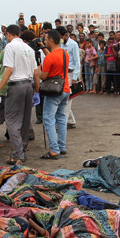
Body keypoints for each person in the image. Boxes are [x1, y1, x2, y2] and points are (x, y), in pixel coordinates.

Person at [0, 24, 40, 166]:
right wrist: (37, 92)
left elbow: (9, 70)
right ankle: (22, 151)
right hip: (28, 85)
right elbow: (36, 73)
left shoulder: (10, 47)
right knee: (24, 120)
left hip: (16, 85)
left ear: (9, 34)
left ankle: (18, 154)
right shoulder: (28, 49)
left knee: (11, 120)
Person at [38, 29, 70, 160]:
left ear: (51, 40)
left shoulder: (49, 57)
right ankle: (62, 146)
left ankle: (54, 149)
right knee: (61, 118)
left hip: (53, 92)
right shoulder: (64, 53)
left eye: (46, 39)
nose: (44, 42)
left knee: (48, 119)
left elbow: (44, 76)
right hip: (65, 88)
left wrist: (39, 71)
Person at [59, 26, 80, 128]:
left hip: (71, 74)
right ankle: (71, 121)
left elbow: (77, 62)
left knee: (67, 99)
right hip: (62, 73)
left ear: (66, 35)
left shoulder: (73, 44)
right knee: (64, 98)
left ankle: (63, 124)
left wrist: (76, 77)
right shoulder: (60, 44)